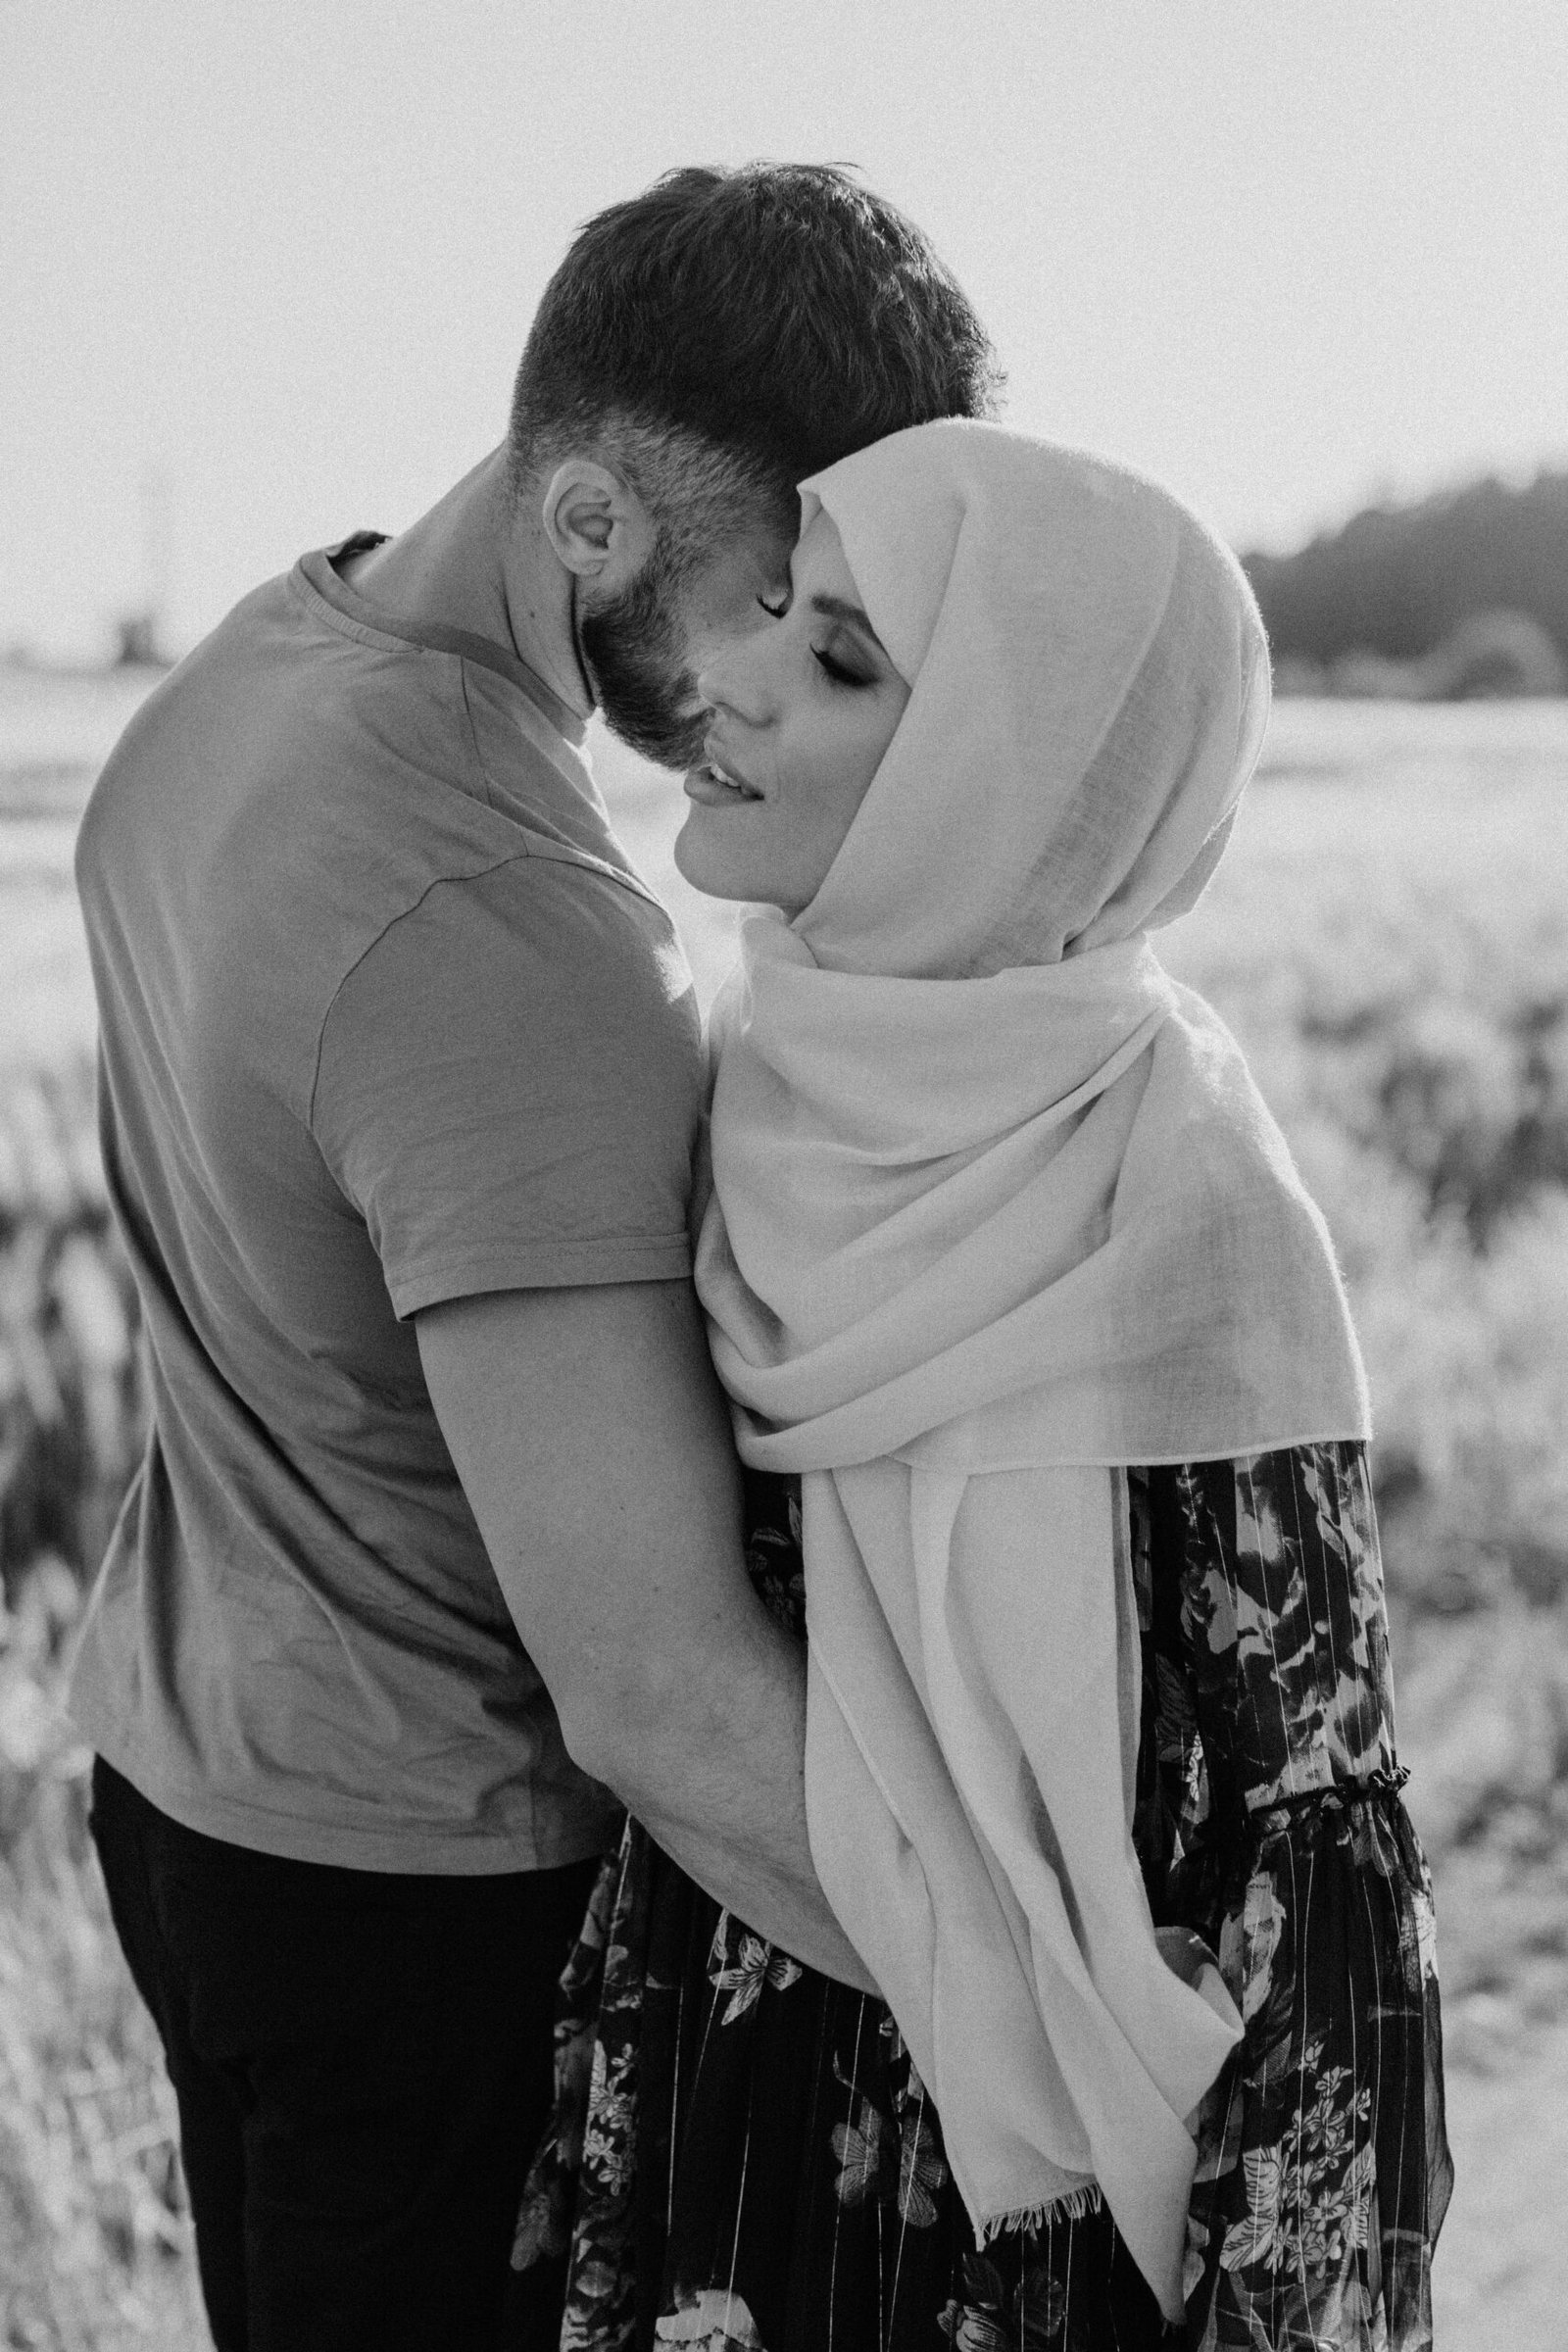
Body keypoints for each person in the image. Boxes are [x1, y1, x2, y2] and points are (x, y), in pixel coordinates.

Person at [69, 168, 1001, 2352]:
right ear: (590, 524)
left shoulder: (254, 667)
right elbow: (652, 1689)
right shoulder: (514, 938)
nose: (775, 679)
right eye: (774, 603)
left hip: (184, 1788)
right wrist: (1040, 2029)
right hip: (424, 1906)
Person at [520, 422, 1452, 2351]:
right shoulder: (740, 1107)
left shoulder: (1173, 1193)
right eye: (784, 606)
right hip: (743, 2150)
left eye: (848, 660)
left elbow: (1307, 1856)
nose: (741, 669)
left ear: (1002, 787)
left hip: (1057, 2207)